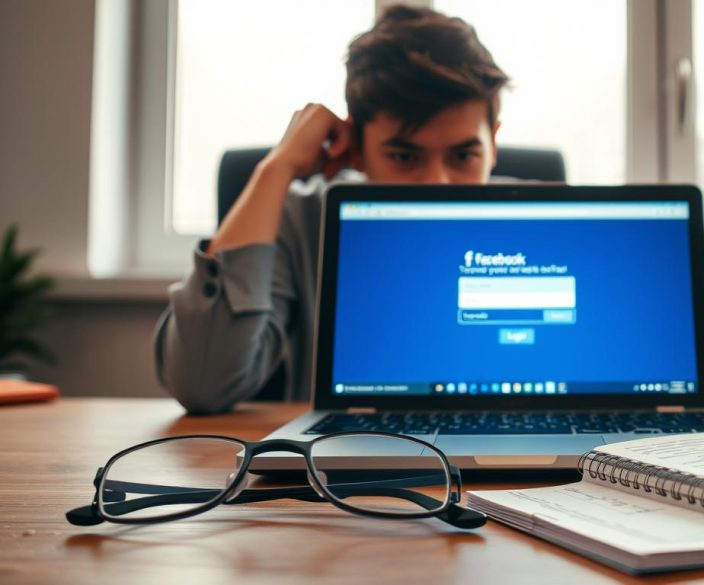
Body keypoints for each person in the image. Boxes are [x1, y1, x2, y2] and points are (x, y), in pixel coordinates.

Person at [154, 5, 510, 414]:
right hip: (343, 448)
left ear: (493, 143)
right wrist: (277, 169)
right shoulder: (302, 218)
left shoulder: (546, 221)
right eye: (404, 157)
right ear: (356, 148)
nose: (436, 184)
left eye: (463, 156)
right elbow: (202, 384)